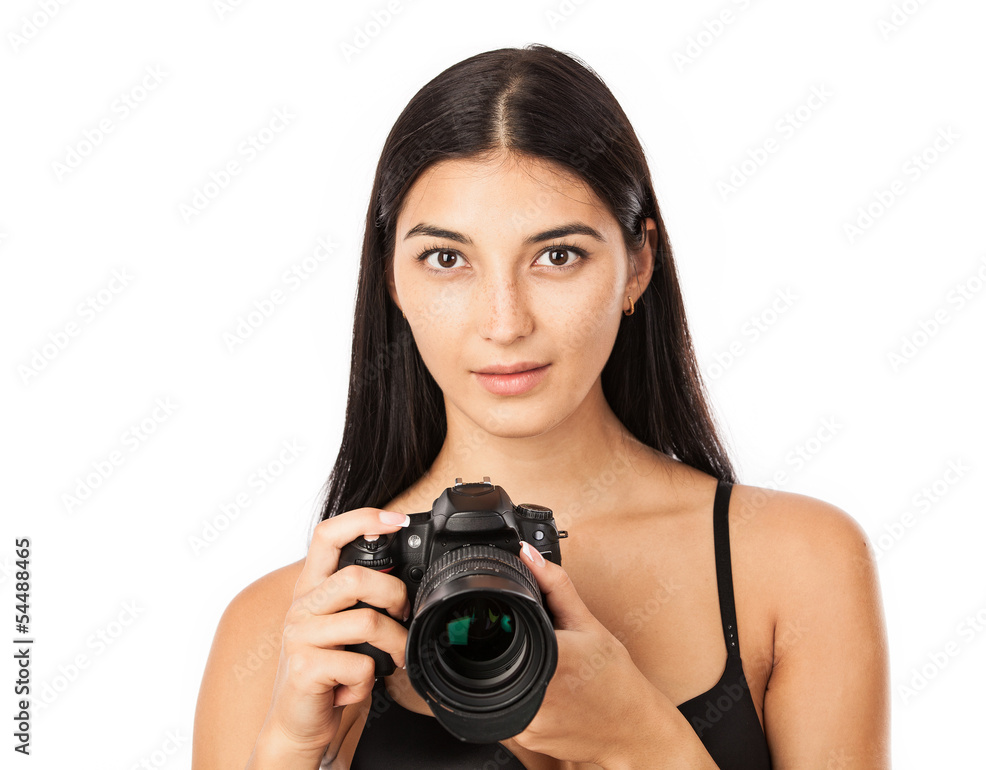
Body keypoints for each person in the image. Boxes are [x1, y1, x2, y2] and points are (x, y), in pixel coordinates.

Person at [193, 43, 890, 769]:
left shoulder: (798, 564)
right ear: (392, 280)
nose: (504, 321)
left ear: (637, 266)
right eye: (447, 259)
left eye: (556, 256)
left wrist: (641, 741)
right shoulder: (282, 629)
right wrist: (289, 752)